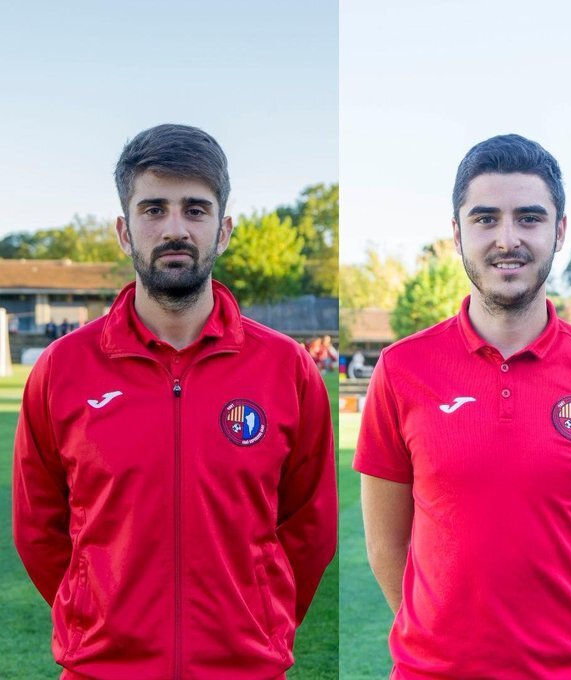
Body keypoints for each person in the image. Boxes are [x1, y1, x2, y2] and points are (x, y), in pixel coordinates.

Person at [13, 123, 337, 680]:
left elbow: (310, 526)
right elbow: (38, 529)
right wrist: (97, 617)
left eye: (195, 209)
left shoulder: (287, 369)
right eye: (153, 209)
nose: (175, 229)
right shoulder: (61, 369)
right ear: (124, 231)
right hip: (101, 671)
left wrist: (259, 622)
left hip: (244, 669)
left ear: (223, 230)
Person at [354, 134, 571, 679]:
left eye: (529, 218)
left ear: (559, 231)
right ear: (457, 234)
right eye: (486, 219)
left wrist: (565, 635)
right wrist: (440, 641)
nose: (507, 239)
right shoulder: (401, 370)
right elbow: (384, 544)